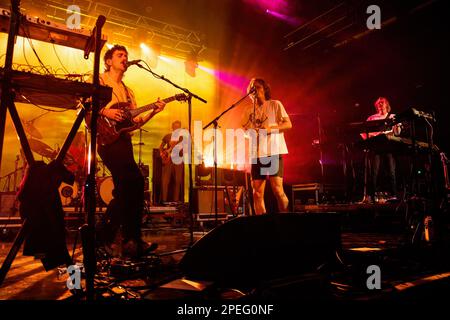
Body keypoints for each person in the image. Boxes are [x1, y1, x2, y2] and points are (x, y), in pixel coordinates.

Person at [97, 44, 166, 258]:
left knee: (130, 188)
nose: (124, 58)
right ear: (108, 61)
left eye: (126, 55)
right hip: (107, 140)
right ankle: (121, 239)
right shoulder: (99, 80)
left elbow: (134, 122)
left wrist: (154, 111)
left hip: (124, 141)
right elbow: (84, 103)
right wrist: (105, 110)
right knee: (132, 182)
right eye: (120, 55)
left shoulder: (129, 91)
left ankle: (125, 239)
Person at [241, 78, 292, 214]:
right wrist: (251, 133)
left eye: (257, 87)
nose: (254, 90)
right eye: (251, 88)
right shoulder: (247, 111)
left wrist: (270, 129)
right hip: (256, 154)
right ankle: (263, 227)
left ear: (264, 89)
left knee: (277, 189)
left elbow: (288, 124)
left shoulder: (275, 105)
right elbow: (244, 132)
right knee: (257, 193)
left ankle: (285, 221)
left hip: (273, 151)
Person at [361, 97, 400, 202]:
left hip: (389, 147)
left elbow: (398, 131)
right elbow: (362, 131)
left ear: (386, 104)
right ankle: (372, 196)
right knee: (374, 172)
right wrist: (369, 141)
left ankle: (394, 195)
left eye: (382, 103)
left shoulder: (393, 116)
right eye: (378, 103)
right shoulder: (372, 118)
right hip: (376, 147)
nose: (380, 105)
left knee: (391, 171)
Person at [159, 120, 184, 203]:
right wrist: (162, 154)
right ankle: (164, 200)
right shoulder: (167, 136)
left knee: (178, 180)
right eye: (175, 127)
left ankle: (176, 201)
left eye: (178, 127)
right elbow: (161, 147)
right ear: (172, 127)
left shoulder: (182, 137)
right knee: (165, 180)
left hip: (178, 160)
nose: (177, 128)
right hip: (168, 160)